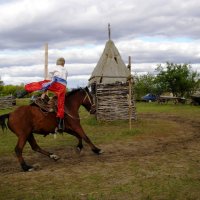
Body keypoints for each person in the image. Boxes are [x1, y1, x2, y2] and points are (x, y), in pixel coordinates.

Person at [17, 57, 68, 132]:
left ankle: (25, 91)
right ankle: (60, 123)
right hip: (62, 87)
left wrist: (45, 89)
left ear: (57, 63)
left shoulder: (54, 68)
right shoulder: (66, 70)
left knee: (40, 84)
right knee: (61, 104)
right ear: (63, 64)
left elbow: (49, 79)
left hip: (55, 83)